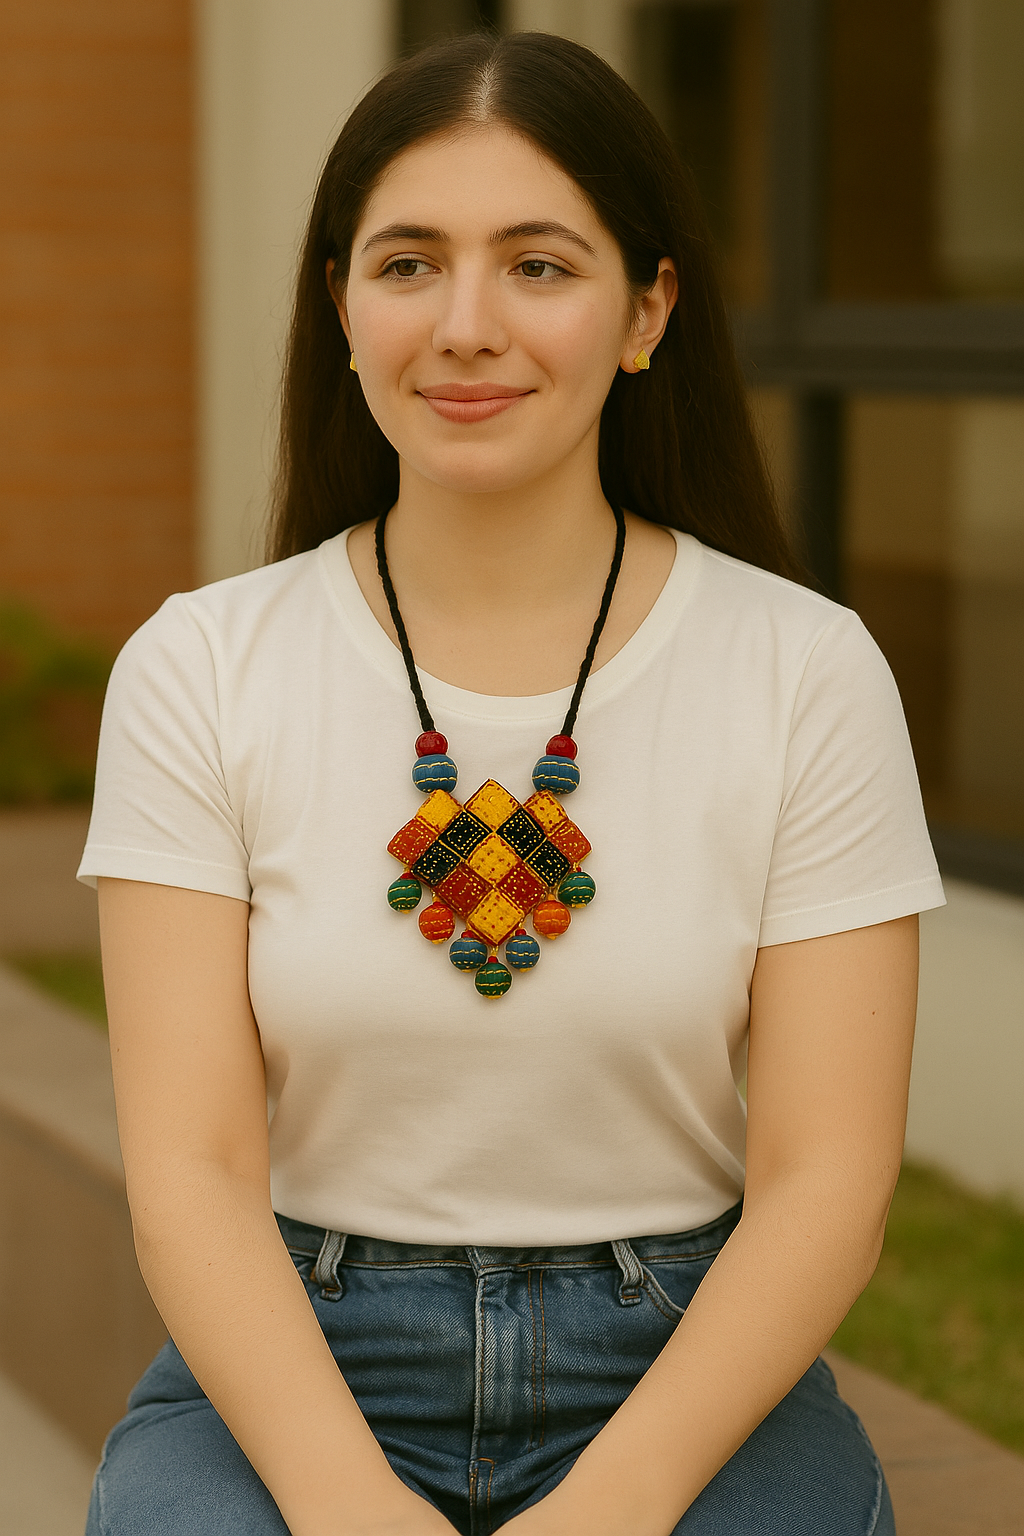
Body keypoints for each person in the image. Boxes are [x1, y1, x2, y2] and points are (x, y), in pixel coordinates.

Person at [79, 30, 944, 1536]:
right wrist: (348, 1505)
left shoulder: (805, 670)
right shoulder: (198, 667)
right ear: (341, 308)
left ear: (647, 309)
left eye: (539, 265)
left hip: (683, 1356)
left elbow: (827, 1181)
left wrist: (613, 1510)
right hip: (303, 1352)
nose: (465, 325)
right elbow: (194, 1169)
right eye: (407, 263)